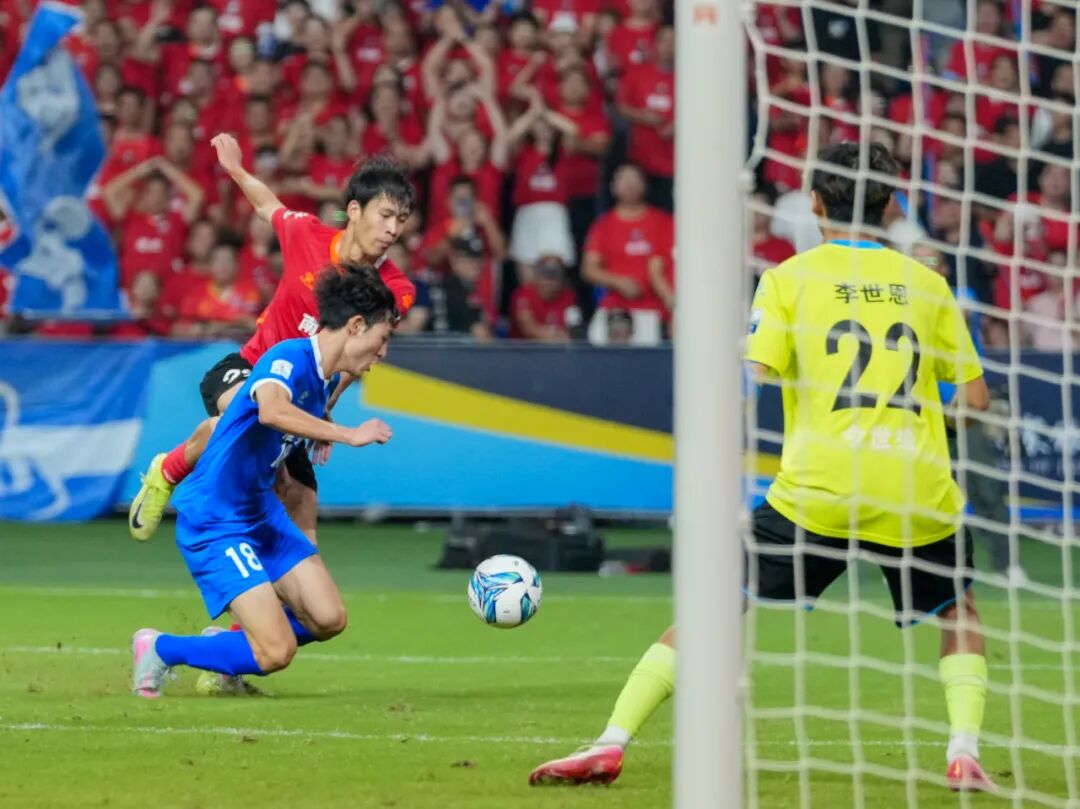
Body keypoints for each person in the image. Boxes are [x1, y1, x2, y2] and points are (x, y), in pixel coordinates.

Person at [530, 142, 997, 793]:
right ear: (891, 205)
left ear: (814, 203)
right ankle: (964, 751)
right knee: (959, 611)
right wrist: (924, 427)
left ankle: (611, 741)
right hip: (913, 486)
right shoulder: (928, 283)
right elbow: (975, 400)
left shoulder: (787, 278)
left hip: (818, 486)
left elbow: (752, 376)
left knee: (715, 604)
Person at [128, 136, 416, 546]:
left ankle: (270, 588)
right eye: (385, 215)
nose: (393, 230)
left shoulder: (395, 290)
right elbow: (267, 205)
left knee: (303, 525)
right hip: (248, 370)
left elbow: (360, 353)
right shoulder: (306, 235)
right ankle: (167, 471)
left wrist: (326, 406)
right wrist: (235, 169)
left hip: (303, 399)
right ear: (354, 210)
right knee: (247, 417)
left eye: (401, 220)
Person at [131, 267, 396, 698]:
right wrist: (347, 434)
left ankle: (230, 648)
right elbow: (271, 410)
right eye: (382, 338)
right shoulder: (287, 357)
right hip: (216, 520)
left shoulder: (323, 380)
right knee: (275, 653)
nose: (383, 352)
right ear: (354, 326)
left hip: (260, 513)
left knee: (329, 618)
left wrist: (317, 427)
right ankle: (160, 648)